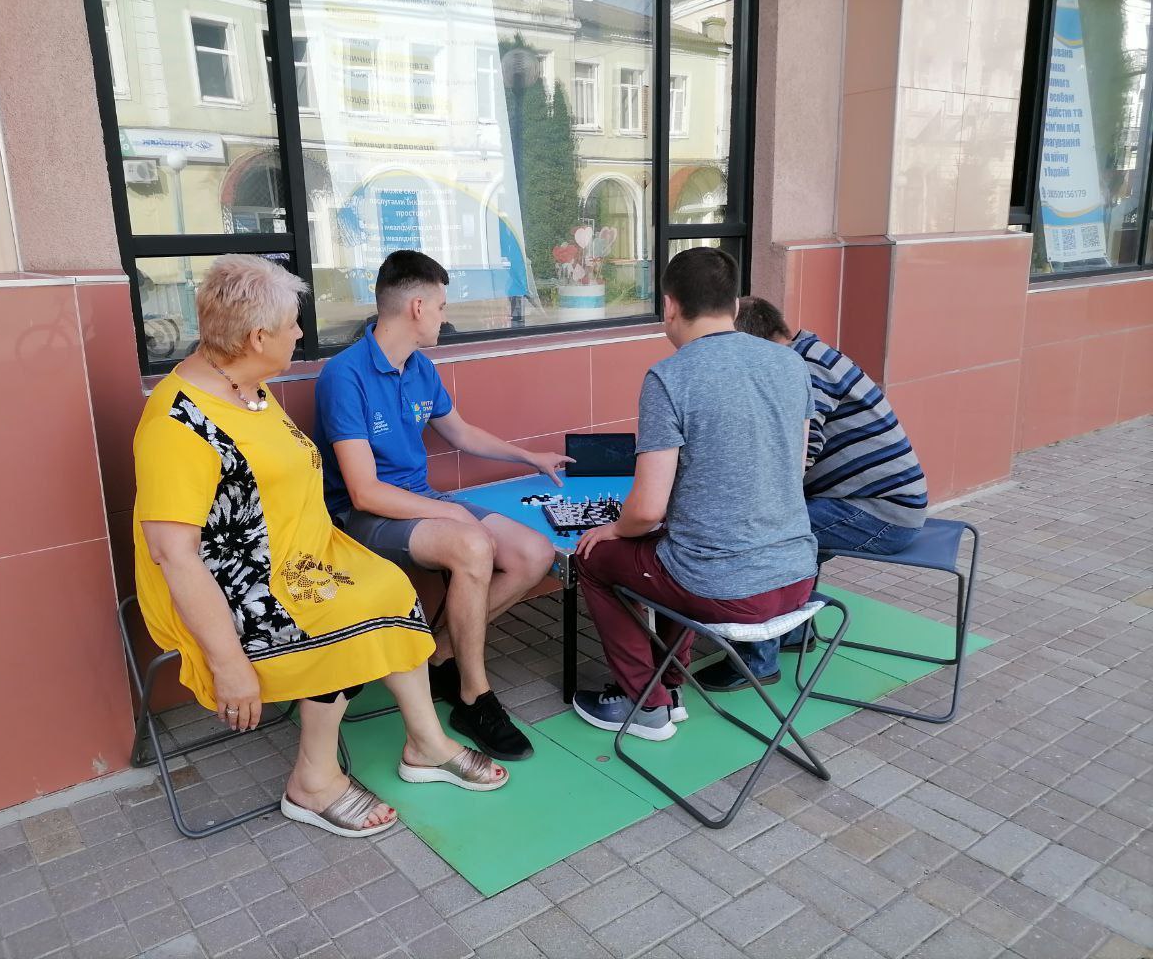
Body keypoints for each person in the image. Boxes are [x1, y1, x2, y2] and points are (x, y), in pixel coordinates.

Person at [133, 255, 508, 840]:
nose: (301, 334)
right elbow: (174, 556)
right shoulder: (178, 425)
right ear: (258, 337)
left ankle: (427, 743)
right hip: (240, 580)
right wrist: (230, 665)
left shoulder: (248, 387)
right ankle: (313, 780)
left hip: (303, 554)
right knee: (344, 614)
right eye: (292, 325)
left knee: (389, 586)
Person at [313, 250, 564, 762]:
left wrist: (528, 455)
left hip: (423, 503)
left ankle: (431, 650)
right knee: (473, 544)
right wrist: (451, 513)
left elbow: (461, 432)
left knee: (534, 554)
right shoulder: (345, 375)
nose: (446, 316)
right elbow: (363, 492)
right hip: (365, 518)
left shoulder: (420, 368)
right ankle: (473, 694)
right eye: (443, 305)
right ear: (418, 306)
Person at [570, 248, 819, 740]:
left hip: (726, 590)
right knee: (673, 550)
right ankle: (671, 684)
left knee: (597, 559)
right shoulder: (790, 366)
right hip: (797, 578)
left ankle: (647, 704)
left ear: (669, 306)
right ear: (733, 304)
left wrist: (611, 528)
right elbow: (792, 467)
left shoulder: (671, 376)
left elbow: (644, 511)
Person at [695, 295, 928, 690]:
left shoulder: (801, 368)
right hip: (877, 504)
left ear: (756, 344)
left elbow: (800, 452)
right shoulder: (810, 353)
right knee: (788, 527)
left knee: (764, 536)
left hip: (880, 513)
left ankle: (756, 661)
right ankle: (793, 631)